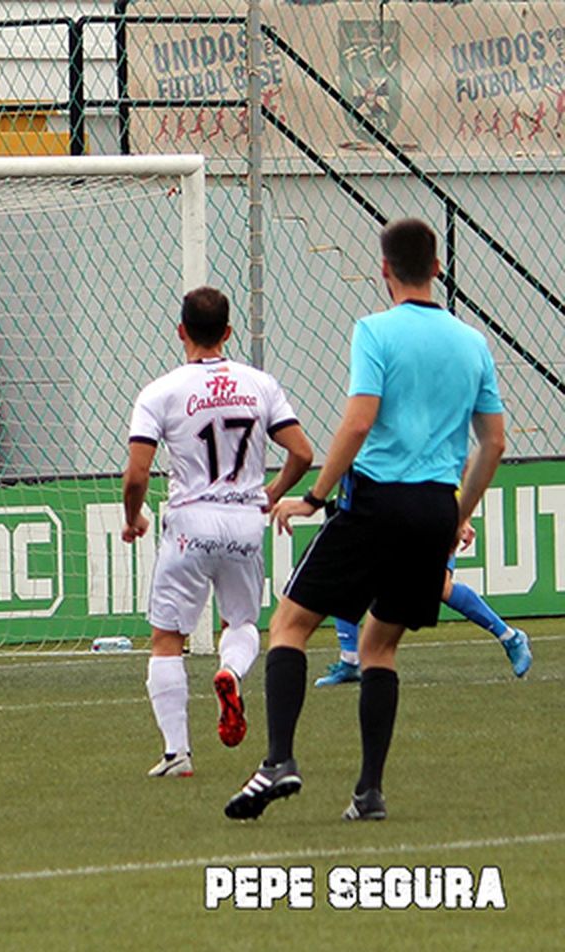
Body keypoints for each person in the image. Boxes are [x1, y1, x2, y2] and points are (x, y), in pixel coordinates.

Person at [225, 219, 507, 822]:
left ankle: (278, 760)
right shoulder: (473, 343)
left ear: (384, 269)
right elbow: (494, 443)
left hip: (377, 500)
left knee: (290, 624)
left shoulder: (374, 331)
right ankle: (369, 792)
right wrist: (456, 513)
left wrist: (315, 498)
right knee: (380, 646)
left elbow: (357, 422)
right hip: (434, 506)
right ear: (437, 267)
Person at [123, 287, 314, 779]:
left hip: (190, 522)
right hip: (245, 524)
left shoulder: (160, 392)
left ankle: (176, 754)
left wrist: (133, 516)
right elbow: (304, 453)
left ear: (181, 331)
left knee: (168, 637)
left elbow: (136, 475)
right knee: (244, 625)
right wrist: (271, 492)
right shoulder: (260, 384)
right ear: (228, 332)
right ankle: (230, 673)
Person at [316, 527, 532, 686]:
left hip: (428, 512)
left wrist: (462, 517)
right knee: (346, 575)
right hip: (383, 513)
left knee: (441, 587)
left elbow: (456, 468)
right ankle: (350, 661)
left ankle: (511, 638)